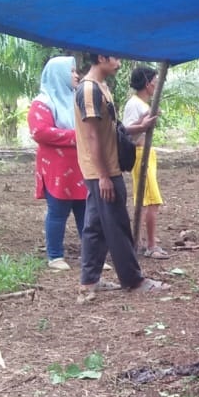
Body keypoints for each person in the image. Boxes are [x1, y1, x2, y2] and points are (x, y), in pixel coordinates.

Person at [72, 52, 165, 300]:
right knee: (117, 224)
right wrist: (103, 175)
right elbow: (92, 135)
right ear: (101, 57)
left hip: (102, 167)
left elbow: (111, 129)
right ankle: (133, 280)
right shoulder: (90, 90)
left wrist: (141, 127)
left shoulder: (101, 87)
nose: (120, 63)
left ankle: (89, 281)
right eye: (115, 57)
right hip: (103, 169)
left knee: (95, 227)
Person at [28, 55, 87, 271]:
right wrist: (76, 137)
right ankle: (55, 255)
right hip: (56, 168)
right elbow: (40, 132)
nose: (76, 75)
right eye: (71, 71)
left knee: (85, 210)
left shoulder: (76, 100)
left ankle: (89, 254)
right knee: (58, 210)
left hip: (80, 166)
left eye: (75, 71)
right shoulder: (42, 103)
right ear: (58, 75)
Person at [123, 65, 168, 259]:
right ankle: (150, 245)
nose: (158, 85)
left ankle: (140, 240)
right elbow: (126, 130)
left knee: (144, 200)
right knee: (152, 201)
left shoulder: (141, 104)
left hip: (146, 153)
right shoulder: (135, 104)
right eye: (156, 81)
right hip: (140, 153)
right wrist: (144, 121)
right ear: (149, 84)